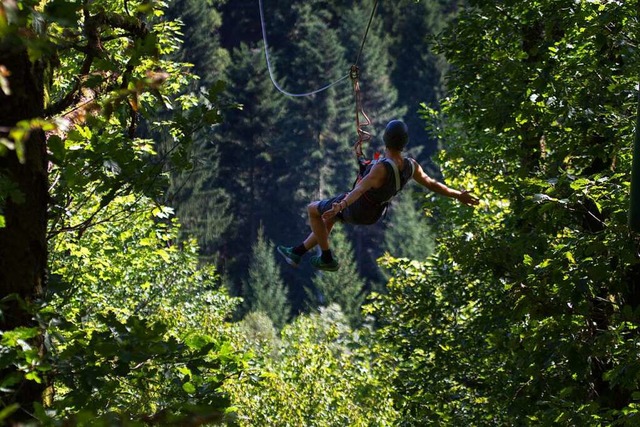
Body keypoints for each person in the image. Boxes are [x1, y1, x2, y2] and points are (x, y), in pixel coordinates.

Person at [277, 119, 479, 272]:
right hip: (375, 213)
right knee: (328, 219)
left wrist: (342, 205)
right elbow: (432, 184)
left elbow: (359, 189)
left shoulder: (380, 169)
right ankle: (297, 252)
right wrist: (457, 195)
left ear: (385, 140)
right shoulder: (411, 166)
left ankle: (327, 258)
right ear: (405, 142)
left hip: (357, 207)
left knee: (313, 209)